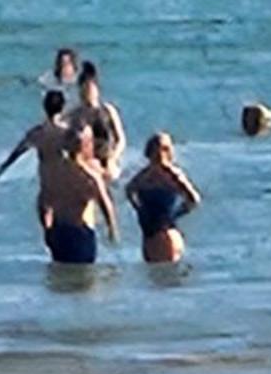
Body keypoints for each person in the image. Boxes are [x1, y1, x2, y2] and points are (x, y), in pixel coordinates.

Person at [41, 125, 119, 265]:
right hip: (79, 232)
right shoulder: (89, 177)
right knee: (84, 280)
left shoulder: (53, 173)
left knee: (61, 279)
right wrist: (112, 229)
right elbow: (105, 204)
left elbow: (42, 202)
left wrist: (47, 228)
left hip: (58, 231)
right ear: (86, 146)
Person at [126, 133, 201, 264]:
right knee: (156, 278)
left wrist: (175, 215)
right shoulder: (144, 175)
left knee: (162, 276)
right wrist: (140, 210)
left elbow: (194, 199)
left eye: (162, 149)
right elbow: (129, 191)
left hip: (165, 234)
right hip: (150, 234)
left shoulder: (172, 174)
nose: (159, 154)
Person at [0, 90, 69, 208]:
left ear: (44, 107)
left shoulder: (37, 134)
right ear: (63, 107)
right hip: (66, 184)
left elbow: (15, 155)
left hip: (47, 186)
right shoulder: (68, 133)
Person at [69, 60, 126, 176]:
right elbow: (69, 143)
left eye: (89, 89)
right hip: (85, 162)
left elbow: (121, 140)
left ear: (97, 90)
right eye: (83, 90)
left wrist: (113, 158)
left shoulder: (108, 110)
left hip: (107, 159)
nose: (86, 93)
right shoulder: (75, 115)